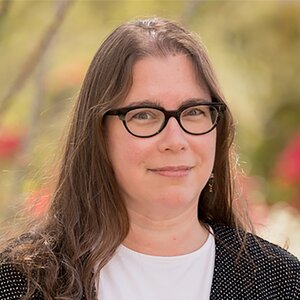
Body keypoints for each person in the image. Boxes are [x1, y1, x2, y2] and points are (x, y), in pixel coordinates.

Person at [0, 17, 299, 300]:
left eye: (194, 112)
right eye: (144, 115)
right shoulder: (21, 282)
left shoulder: (279, 282)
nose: (175, 141)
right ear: (98, 134)